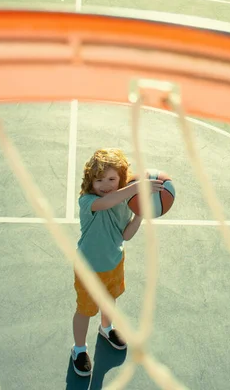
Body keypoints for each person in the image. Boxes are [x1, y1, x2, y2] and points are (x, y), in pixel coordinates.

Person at [71, 148, 163, 377]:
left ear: (121, 178)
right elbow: (107, 201)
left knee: (110, 301)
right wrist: (135, 188)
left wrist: (141, 213)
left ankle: (106, 328)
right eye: (98, 180)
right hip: (88, 269)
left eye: (112, 179)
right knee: (85, 310)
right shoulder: (88, 201)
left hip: (114, 262)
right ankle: (79, 349)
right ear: (89, 182)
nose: (105, 185)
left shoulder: (124, 204)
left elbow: (126, 235)